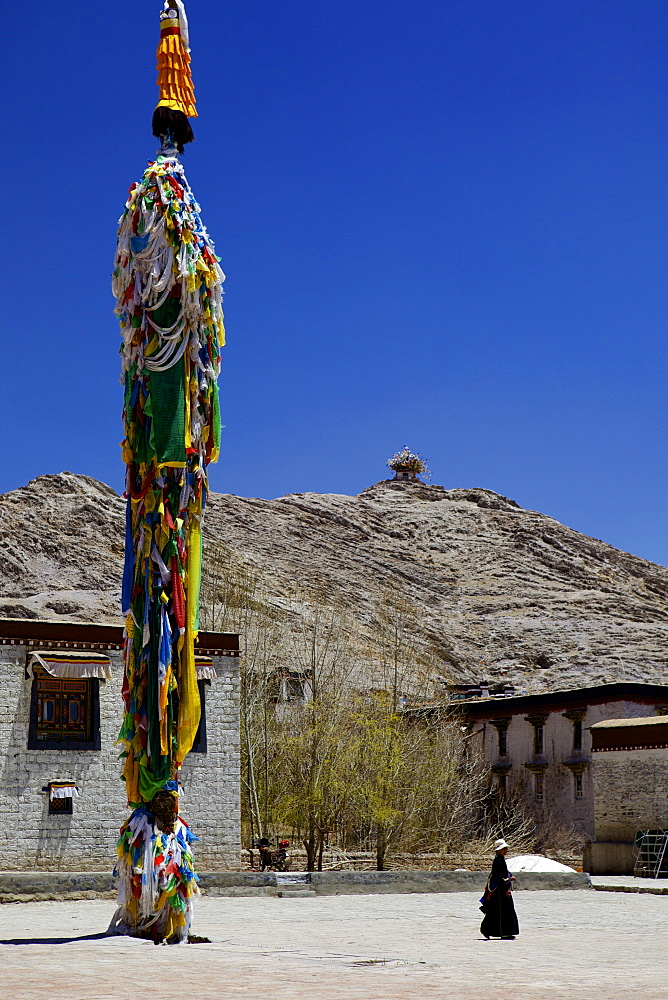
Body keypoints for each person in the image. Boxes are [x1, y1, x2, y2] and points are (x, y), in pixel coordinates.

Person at [480, 838, 520, 939]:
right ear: (499, 850)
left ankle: (493, 931)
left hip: (500, 889)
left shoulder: (500, 860)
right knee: (502, 911)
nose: (506, 850)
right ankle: (501, 931)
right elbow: (499, 877)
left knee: (497, 911)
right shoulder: (498, 861)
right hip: (500, 890)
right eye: (504, 849)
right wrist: (507, 885)